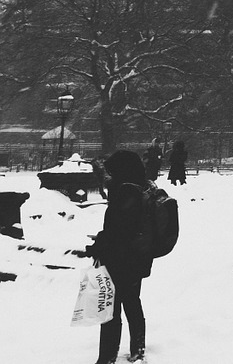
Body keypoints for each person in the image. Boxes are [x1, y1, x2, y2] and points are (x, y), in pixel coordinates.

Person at [86, 150, 153, 364]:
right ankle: (138, 349)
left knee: (109, 311)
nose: (109, 175)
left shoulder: (124, 193)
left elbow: (118, 231)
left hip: (121, 260)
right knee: (133, 302)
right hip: (139, 257)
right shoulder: (143, 187)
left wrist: (98, 245)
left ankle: (106, 357)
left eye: (112, 171)